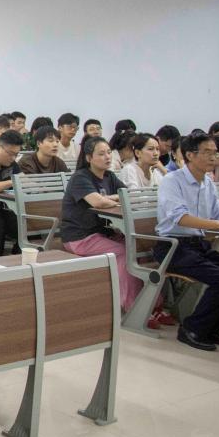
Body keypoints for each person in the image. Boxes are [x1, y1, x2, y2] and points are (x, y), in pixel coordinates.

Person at [154, 134, 219, 351]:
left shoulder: (207, 182)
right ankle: (191, 329)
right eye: (207, 152)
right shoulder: (172, 181)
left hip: (197, 245)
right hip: (172, 247)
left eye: (215, 152)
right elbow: (181, 218)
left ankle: (211, 330)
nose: (213, 157)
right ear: (190, 155)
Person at [59, 137, 152, 319]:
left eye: (109, 152)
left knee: (141, 247)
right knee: (124, 252)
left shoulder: (110, 176)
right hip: (80, 237)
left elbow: (129, 195)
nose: (107, 157)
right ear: (89, 158)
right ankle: (132, 306)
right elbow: (98, 203)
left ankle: (150, 305)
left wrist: (110, 198)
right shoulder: (80, 177)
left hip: (103, 234)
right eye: (101, 154)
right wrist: (114, 198)